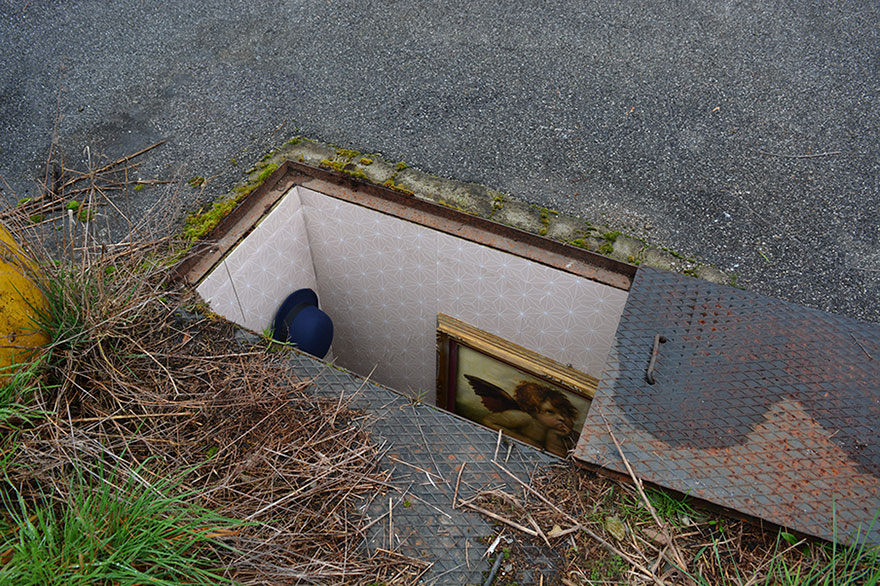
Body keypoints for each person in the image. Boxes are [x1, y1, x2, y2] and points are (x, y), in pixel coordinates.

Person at [466, 375, 579, 457]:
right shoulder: (525, 419)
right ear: (534, 411)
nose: (561, 418)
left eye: (563, 413)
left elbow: (554, 457)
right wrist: (525, 442)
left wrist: (556, 436)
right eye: (550, 412)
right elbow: (488, 421)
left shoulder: (552, 432)